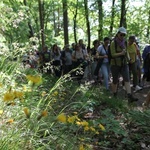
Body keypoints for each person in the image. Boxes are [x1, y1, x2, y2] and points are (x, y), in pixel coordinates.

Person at [110, 27, 138, 103]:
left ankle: (129, 96)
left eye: (124, 35)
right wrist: (121, 53)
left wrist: (129, 59)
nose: (122, 36)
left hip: (124, 64)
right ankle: (114, 94)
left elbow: (126, 52)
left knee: (127, 79)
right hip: (115, 64)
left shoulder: (125, 42)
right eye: (121, 34)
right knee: (115, 80)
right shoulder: (113, 43)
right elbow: (112, 54)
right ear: (118, 34)